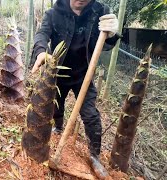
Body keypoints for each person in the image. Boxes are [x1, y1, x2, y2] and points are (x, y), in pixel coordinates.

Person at [31, 0, 120, 178]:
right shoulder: (53, 13)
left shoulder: (100, 12)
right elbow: (42, 34)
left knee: (91, 115)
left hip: (84, 74)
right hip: (59, 72)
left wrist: (112, 34)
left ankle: (94, 156)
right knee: (56, 105)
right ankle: (58, 127)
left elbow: (106, 43)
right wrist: (41, 51)